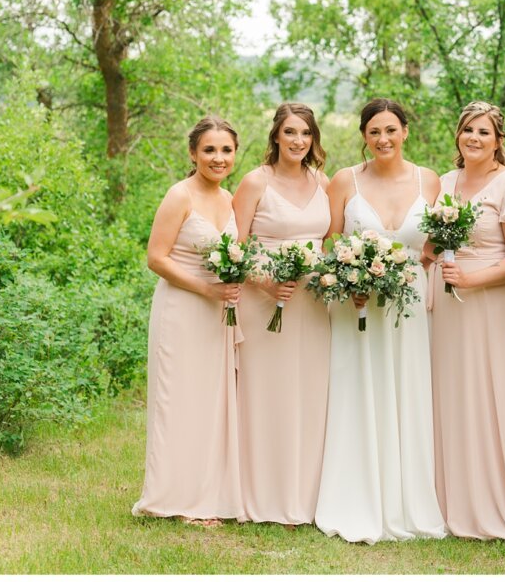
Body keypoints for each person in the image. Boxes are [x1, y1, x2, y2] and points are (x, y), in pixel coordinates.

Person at [314, 97, 446, 544]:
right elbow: (327, 242)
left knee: (406, 391)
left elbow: (438, 242)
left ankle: (407, 502)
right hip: (358, 305)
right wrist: (348, 278)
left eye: (391, 130)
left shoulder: (430, 181)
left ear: (405, 131)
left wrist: (429, 259)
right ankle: (356, 497)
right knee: (359, 390)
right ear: (363, 137)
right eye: (374, 132)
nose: (383, 139)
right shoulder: (344, 181)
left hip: (408, 302)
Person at [429, 101, 505, 542]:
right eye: (468, 130)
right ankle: (447, 500)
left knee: (493, 395)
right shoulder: (443, 182)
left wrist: (473, 280)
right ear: (458, 135)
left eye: (484, 132)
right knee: (451, 395)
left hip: (491, 303)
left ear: (498, 141)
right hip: (447, 303)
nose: (474, 138)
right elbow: (430, 244)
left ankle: (496, 503)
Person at [132, 115, 244, 525]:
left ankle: (210, 492)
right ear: (193, 153)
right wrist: (207, 289)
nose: (218, 158)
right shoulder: (179, 196)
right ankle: (175, 497)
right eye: (210, 150)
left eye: (226, 150)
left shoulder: (231, 200)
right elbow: (156, 258)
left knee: (211, 401)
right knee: (178, 400)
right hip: (182, 309)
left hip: (219, 313)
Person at [232, 103, 332, 526]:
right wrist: (265, 282)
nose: (298, 141)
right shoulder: (256, 182)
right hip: (264, 301)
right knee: (267, 393)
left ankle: (306, 496)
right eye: (290, 132)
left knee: (310, 395)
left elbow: (328, 243)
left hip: (312, 305)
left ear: (314, 139)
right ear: (275, 135)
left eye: (305, 133)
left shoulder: (323, 181)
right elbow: (232, 251)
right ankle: (261, 493)